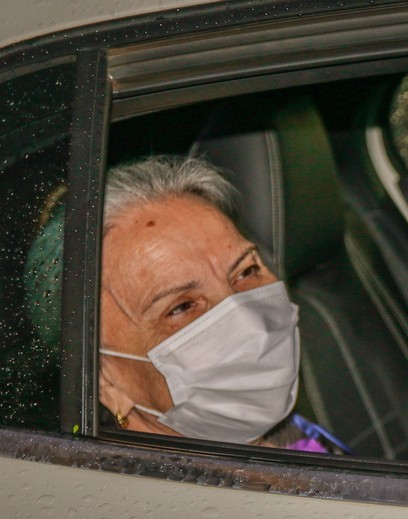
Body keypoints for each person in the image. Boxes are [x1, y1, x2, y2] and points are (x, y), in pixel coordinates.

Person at [29, 155, 349, 453]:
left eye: (247, 271)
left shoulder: (296, 439)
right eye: (180, 307)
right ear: (108, 383)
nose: (248, 320)